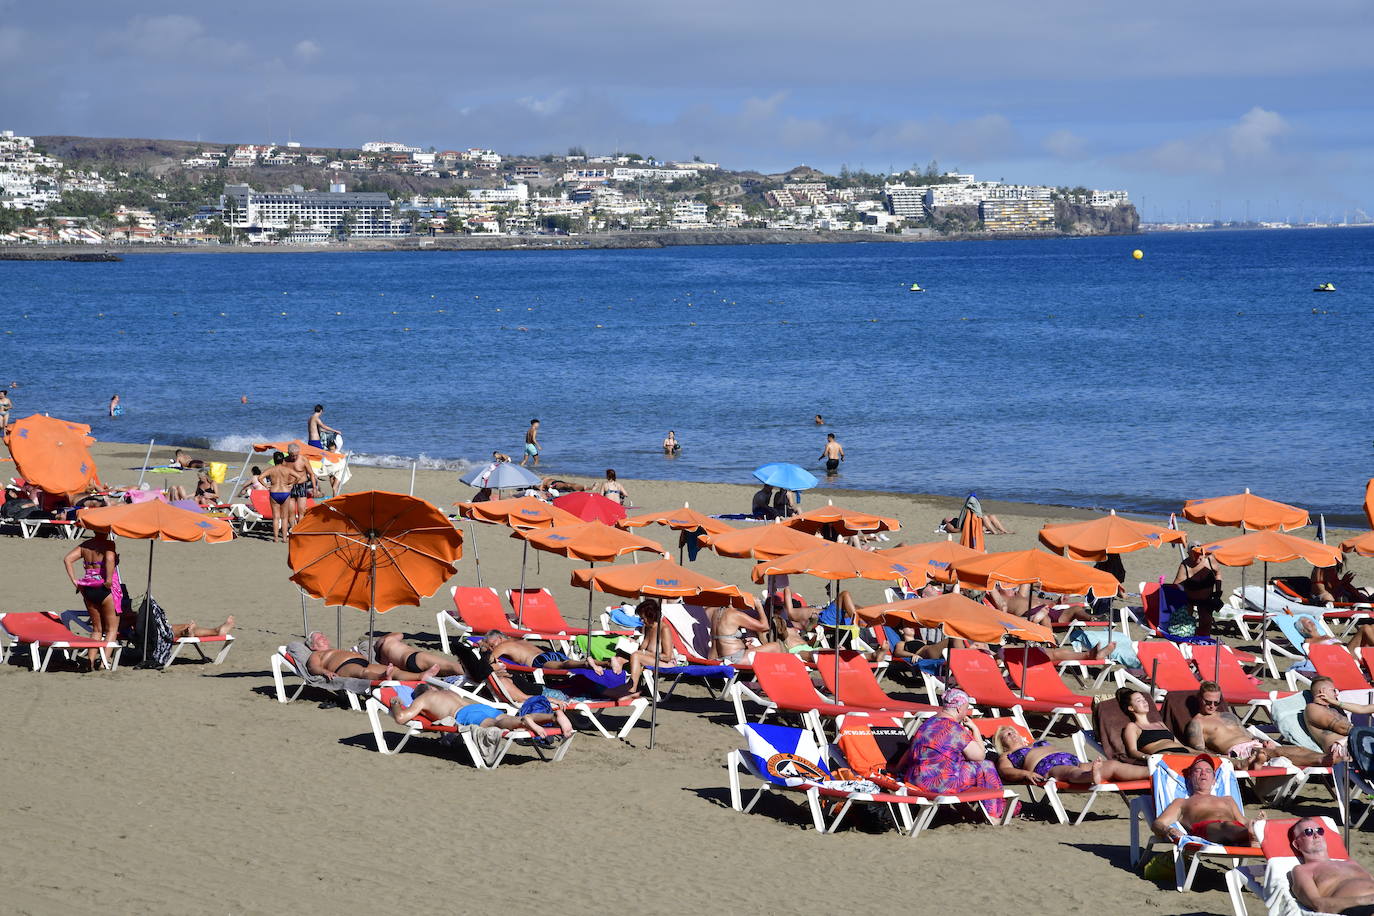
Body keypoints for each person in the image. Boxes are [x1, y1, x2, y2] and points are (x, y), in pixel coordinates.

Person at [897, 688, 1009, 818]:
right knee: (986, 766)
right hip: (938, 784)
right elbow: (979, 756)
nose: (966, 712)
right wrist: (975, 729)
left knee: (953, 767)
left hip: (915, 779)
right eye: (966, 708)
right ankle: (994, 814)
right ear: (959, 709)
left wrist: (897, 769)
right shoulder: (956, 730)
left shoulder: (927, 723)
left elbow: (909, 750)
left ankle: (968, 813)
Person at [1183, 681, 1330, 768]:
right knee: (1279, 753)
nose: (1212, 706)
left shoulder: (1228, 715)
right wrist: (1229, 761)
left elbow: (1248, 734)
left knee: (1297, 749)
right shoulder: (1197, 724)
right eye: (1208, 702)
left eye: (1216, 702)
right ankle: (1324, 760)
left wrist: (1262, 741)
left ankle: (1329, 758)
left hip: (1255, 746)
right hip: (1239, 754)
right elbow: (1200, 752)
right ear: (1199, 698)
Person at [387, 681, 573, 743]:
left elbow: (401, 718)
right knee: (504, 719)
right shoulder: (448, 691)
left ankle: (524, 720)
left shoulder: (423, 699)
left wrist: (396, 702)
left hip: (465, 714)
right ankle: (552, 716)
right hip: (479, 707)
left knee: (496, 725)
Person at [1150, 754, 1252, 846]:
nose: (1203, 773)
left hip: (1236, 829)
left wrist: (1256, 823)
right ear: (1190, 777)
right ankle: (1253, 835)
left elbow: (1243, 821)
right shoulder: (1181, 802)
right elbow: (1158, 824)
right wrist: (1168, 830)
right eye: (1197, 770)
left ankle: (1253, 834)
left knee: (1255, 826)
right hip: (1205, 831)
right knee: (1226, 826)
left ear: (1214, 780)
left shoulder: (1228, 800)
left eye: (1208, 771)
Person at [995, 727, 1148, 786]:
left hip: (1072, 759)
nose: (1013, 734)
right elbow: (1005, 772)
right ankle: (1091, 776)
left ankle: (1152, 773)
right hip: (1048, 767)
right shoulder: (1006, 755)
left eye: (1013, 731)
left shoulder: (1033, 743)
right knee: (1071, 772)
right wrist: (1025, 773)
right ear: (1003, 743)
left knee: (1113, 765)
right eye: (1007, 734)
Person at [1289, 816, 1374, 913]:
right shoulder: (1302, 870)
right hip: (1357, 909)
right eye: (1308, 832)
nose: (1316, 835)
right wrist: (1367, 900)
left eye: (1319, 831)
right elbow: (1317, 904)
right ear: (1297, 844)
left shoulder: (1350, 862)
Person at [64, 531, 123, 668]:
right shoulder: (108, 544)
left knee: (96, 630)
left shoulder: (86, 545)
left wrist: (74, 580)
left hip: (88, 587)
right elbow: (109, 559)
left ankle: (90, 661)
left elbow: (67, 559)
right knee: (111, 629)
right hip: (104, 587)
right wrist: (108, 580)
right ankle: (103, 663)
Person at [1303, 676, 1374, 758]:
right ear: (1322, 691)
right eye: (1333, 690)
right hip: (1341, 752)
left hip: (1356, 747)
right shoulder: (1313, 708)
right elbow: (1342, 727)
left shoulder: (1335, 709)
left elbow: (1362, 709)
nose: (1336, 693)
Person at [1117, 687, 1192, 761]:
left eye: (1144, 699)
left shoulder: (1160, 724)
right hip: (1166, 756)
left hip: (1183, 752)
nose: (1145, 702)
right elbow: (1132, 751)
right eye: (1139, 700)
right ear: (1131, 708)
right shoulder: (1133, 726)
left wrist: (1199, 752)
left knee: (1202, 756)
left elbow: (1181, 746)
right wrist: (1148, 757)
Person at [372, 631, 474, 681]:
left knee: (448, 672)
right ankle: (480, 676)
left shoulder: (382, 659)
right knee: (450, 666)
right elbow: (400, 634)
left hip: (409, 668)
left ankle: (475, 678)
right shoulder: (388, 640)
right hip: (414, 657)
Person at [988, 583, 1096, 626]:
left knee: (1076, 609)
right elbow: (1002, 606)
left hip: (1046, 610)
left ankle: (1092, 618)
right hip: (1030, 614)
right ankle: (1050, 639)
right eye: (1006, 586)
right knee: (1045, 618)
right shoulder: (1002, 598)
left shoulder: (1019, 595)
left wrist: (1058, 602)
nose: (1010, 588)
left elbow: (1043, 601)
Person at [711, 601, 785, 664]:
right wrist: (759, 606)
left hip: (715, 657)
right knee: (776, 646)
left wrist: (742, 642)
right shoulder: (734, 614)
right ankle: (779, 677)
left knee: (752, 647)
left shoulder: (716, 613)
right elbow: (764, 627)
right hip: (733, 659)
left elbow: (723, 637)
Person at [1174, 542, 1223, 636]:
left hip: (1206, 599)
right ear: (1188, 553)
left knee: (1206, 623)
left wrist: (1218, 591)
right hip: (1189, 599)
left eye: (1200, 555)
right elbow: (1176, 585)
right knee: (1185, 625)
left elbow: (1218, 574)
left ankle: (1203, 643)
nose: (1198, 558)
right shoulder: (1185, 566)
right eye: (1195, 555)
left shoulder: (1210, 560)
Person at [253, 452, 297, 542]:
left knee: (276, 517)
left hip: (274, 492)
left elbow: (260, 477)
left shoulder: (271, 469)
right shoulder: (287, 469)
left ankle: (276, 538)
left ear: (274, 460)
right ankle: (284, 538)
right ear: (283, 460)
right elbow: (299, 476)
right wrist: (291, 484)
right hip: (285, 492)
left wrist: (266, 485)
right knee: (285, 517)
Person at [1296, 615, 1374, 654]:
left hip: (1349, 649)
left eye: (1311, 620)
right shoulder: (1308, 641)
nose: (1312, 622)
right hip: (1345, 655)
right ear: (1303, 630)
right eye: (1308, 622)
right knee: (1365, 628)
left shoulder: (1326, 636)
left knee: (1372, 627)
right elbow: (1314, 654)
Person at [284, 442, 317, 530]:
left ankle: (299, 529)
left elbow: (311, 474)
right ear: (288, 453)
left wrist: (314, 488)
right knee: (291, 512)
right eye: (292, 455)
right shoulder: (285, 461)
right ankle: (293, 529)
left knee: (301, 510)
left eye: (296, 455)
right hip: (289, 487)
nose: (294, 457)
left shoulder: (303, 459)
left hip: (301, 486)